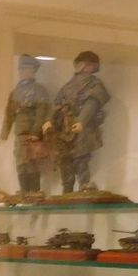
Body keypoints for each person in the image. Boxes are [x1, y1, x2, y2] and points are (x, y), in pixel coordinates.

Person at [43, 50, 111, 193]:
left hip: (82, 130)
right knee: (65, 163)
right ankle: (67, 194)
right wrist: (49, 120)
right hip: (64, 129)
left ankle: (84, 191)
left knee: (81, 161)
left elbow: (92, 103)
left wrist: (81, 121)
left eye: (88, 64)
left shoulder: (95, 84)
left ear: (93, 66)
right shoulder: (68, 85)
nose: (84, 66)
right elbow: (57, 104)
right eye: (82, 63)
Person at [0, 54, 51, 192]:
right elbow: (9, 114)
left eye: (27, 69)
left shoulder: (39, 91)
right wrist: (4, 134)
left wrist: (35, 132)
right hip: (20, 134)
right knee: (21, 164)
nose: (23, 72)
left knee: (32, 164)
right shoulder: (15, 92)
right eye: (21, 69)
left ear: (33, 70)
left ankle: (34, 193)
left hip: (33, 135)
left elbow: (41, 113)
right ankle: (24, 193)